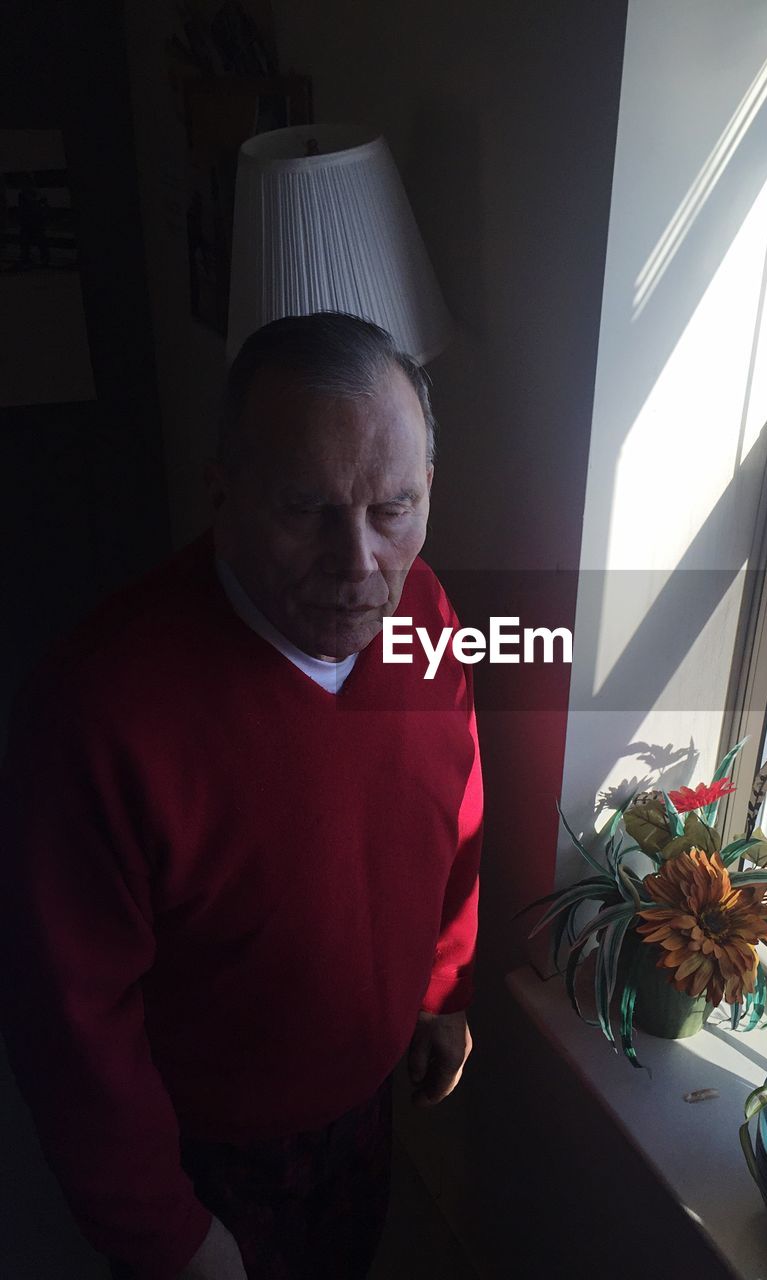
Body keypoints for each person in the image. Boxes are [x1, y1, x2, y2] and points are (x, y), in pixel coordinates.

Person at [0, 313, 483, 1280]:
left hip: (363, 1108)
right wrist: (168, 1238)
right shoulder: (98, 709)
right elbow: (71, 1020)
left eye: (393, 509)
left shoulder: (424, 608)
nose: (359, 566)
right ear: (221, 489)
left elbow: (452, 807)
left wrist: (441, 985)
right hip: (206, 1152)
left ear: (428, 488)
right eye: (306, 510)